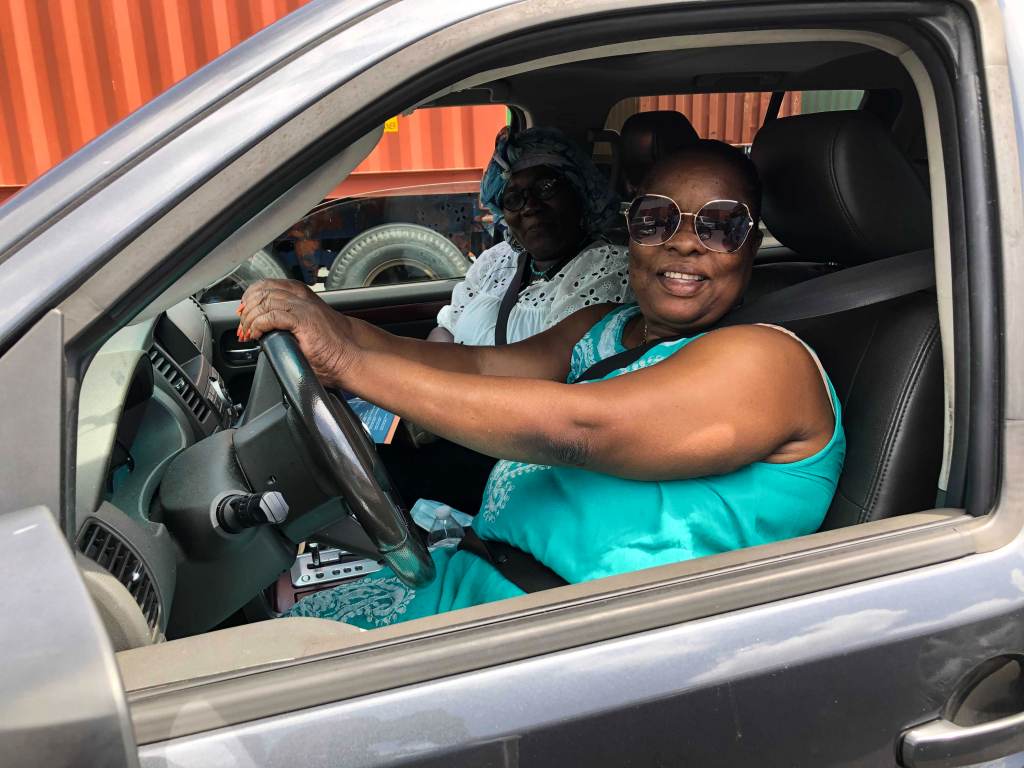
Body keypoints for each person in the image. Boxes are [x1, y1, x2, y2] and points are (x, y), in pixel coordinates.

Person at [237, 140, 846, 628]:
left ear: (752, 239)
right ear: (630, 230)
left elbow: (577, 428)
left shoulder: (769, 362)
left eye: (720, 225)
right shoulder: (606, 327)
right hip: (473, 579)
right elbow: (474, 365)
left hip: (562, 637)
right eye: (656, 219)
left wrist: (346, 361)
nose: (684, 240)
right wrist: (333, 325)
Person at [428, 126, 632, 345]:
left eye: (545, 188)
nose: (530, 207)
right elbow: (445, 330)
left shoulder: (610, 269)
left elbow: (553, 365)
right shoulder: (494, 261)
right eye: (513, 199)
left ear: (578, 192)